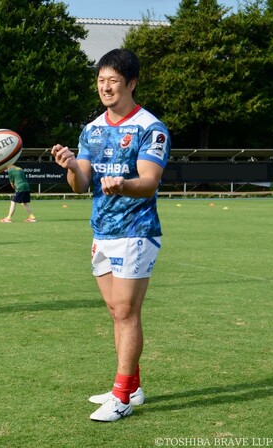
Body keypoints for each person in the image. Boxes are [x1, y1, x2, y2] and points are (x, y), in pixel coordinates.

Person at [51, 48, 170, 422]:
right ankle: (131, 388)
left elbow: (149, 183)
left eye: (113, 81)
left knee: (126, 311)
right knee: (115, 312)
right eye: (101, 80)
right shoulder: (92, 129)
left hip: (136, 231)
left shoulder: (151, 128)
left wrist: (125, 185)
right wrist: (71, 166)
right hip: (101, 231)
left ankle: (121, 396)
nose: (105, 87)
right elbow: (81, 184)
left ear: (131, 83)